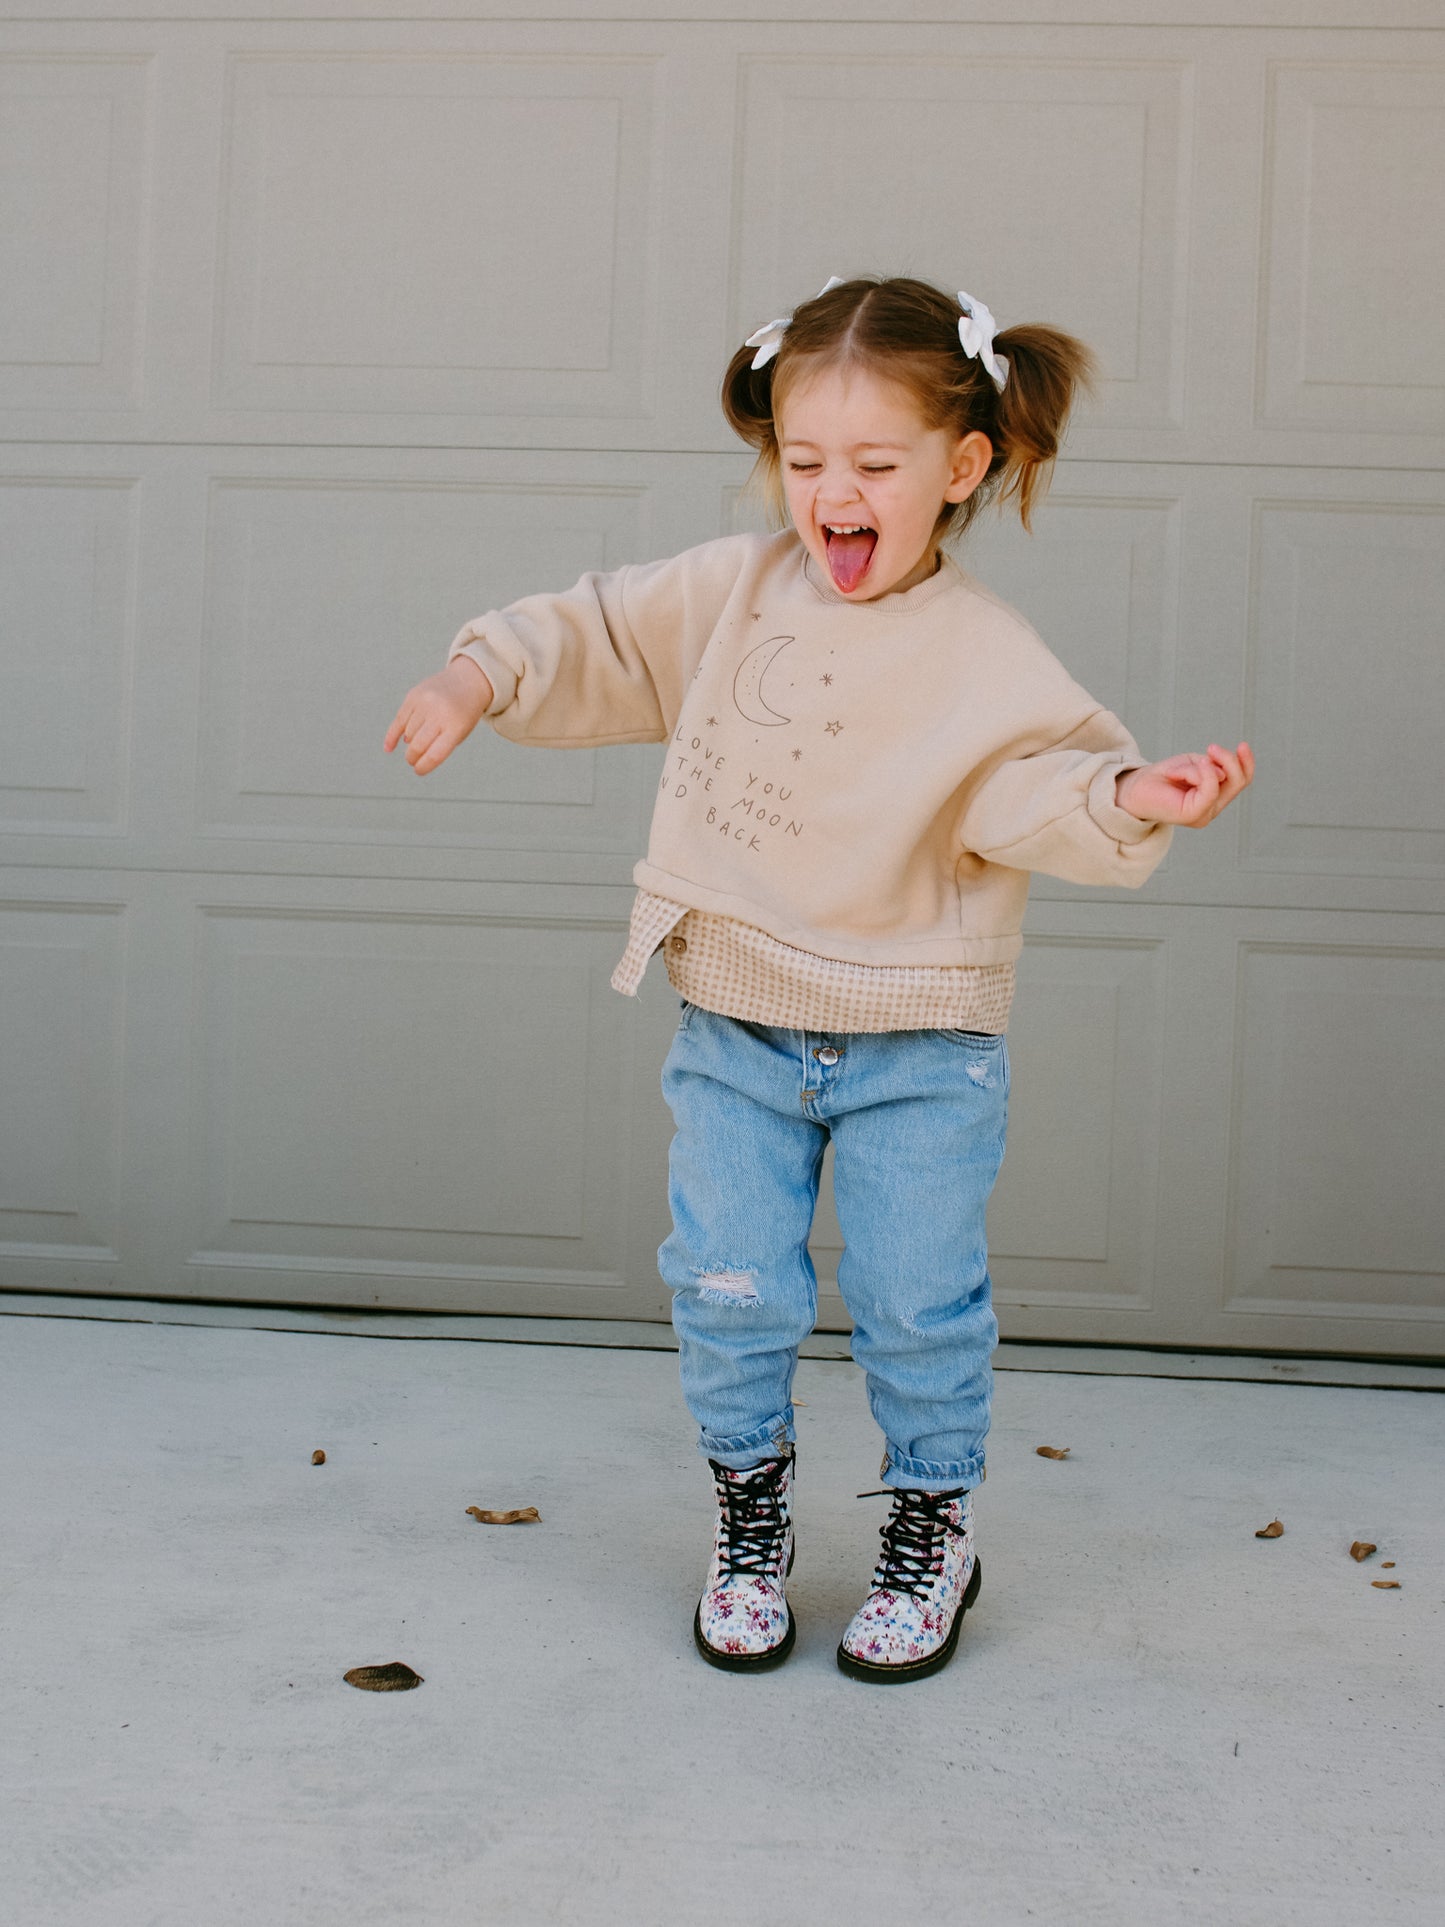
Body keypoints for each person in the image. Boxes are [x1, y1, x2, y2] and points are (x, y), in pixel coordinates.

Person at [384, 275, 1253, 1684]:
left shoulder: (983, 652)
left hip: (922, 1041)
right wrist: (473, 679)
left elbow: (1029, 786)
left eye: (871, 464)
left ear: (960, 467)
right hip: (737, 1020)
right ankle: (749, 1518)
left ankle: (931, 1523)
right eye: (801, 462)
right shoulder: (733, 594)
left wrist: (1131, 792)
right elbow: (594, 630)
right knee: (728, 1288)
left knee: (918, 1299)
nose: (828, 493)